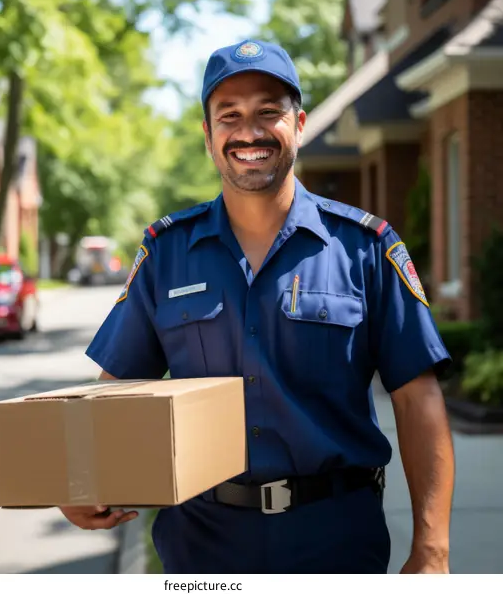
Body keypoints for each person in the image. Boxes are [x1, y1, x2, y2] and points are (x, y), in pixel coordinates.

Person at [59, 39, 455, 574]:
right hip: (202, 546)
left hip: (336, 542)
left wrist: (431, 550)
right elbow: (116, 386)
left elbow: (418, 399)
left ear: (299, 124)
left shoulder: (366, 249)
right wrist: (81, 477)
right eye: (230, 116)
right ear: (208, 135)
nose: (249, 132)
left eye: (269, 112)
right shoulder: (166, 252)